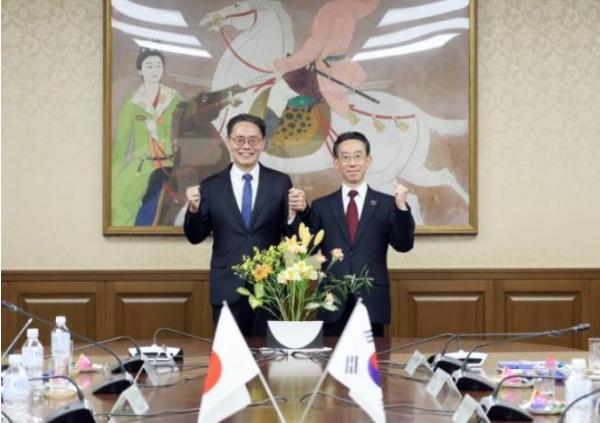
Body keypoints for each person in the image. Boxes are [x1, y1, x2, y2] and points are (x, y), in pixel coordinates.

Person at [184, 114, 309, 336]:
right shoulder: (211, 186)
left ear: (262, 143)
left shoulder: (280, 182)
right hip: (227, 284)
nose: (246, 146)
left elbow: (295, 238)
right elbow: (195, 236)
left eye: (253, 140)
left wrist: (292, 215)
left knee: (267, 352)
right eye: (239, 140)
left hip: (269, 286)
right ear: (229, 141)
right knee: (228, 351)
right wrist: (193, 210)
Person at [309, 131, 414, 336]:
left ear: (368, 161)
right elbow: (308, 248)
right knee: (331, 355)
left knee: (372, 356)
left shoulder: (386, 204)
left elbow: (403, 245)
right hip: (332, 301)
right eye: (345, 157)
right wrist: (293, 215)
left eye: (358, 156)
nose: (352, 163)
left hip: (372, 300)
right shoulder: (321, 206)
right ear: (336, 163)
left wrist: (402, 207)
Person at [272, 0, 380, 122]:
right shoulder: (353, 5)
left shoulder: (331, 8)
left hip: (325, 70)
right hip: (343, 66)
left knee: (278, 92)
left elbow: (313, 50)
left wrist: (283, 64)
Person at [112, 48, 182, 227]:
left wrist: (156, 130)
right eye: (149, 66)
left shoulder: (174, 98)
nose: (155, 70)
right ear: (140, 71)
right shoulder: (132, 102)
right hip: (141, 165)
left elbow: (182, 131)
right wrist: (113, 172)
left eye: (158, 65)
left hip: (169, 163)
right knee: (118, 196)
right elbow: (122, 142)